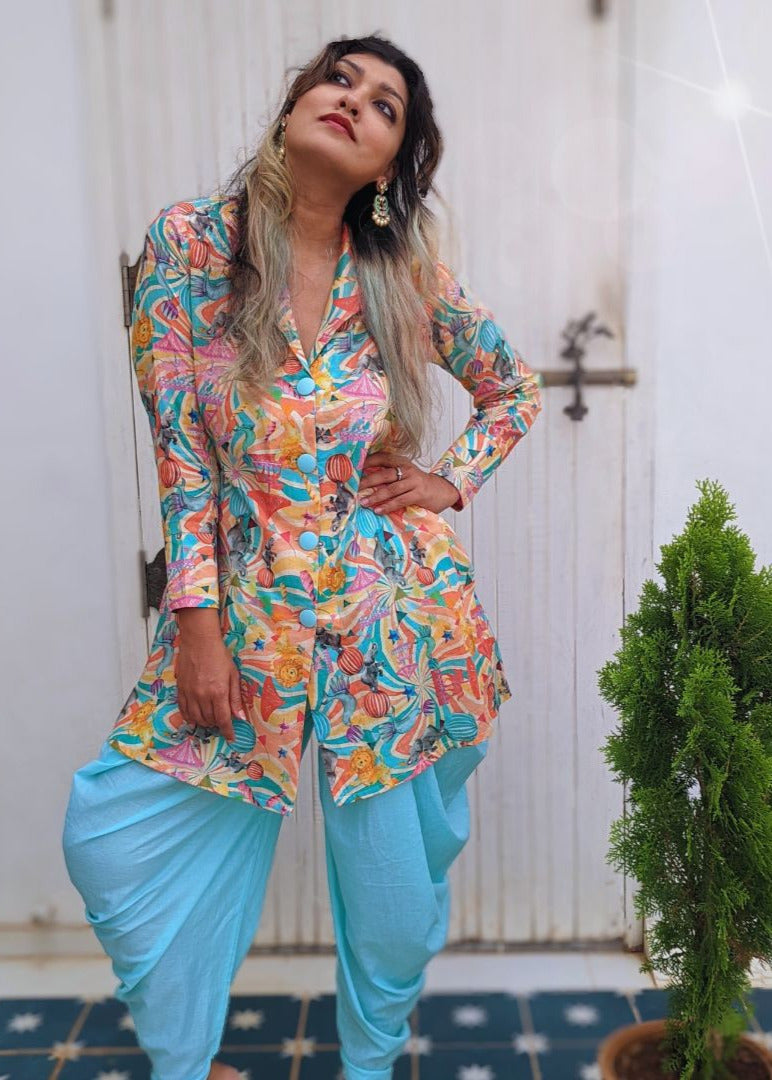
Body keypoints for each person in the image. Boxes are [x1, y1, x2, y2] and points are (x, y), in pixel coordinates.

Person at [62, 31, 543, 1080]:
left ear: (390, 164)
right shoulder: (193, 245)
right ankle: (185, 1062)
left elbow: (513, 390)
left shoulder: (402, 274)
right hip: (248, 613)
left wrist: (447, 480)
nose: (353, 100)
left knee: (393, 897)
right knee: (110, 836)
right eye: (339, 79)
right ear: (294, 105)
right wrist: (195, 623)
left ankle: (369, 1065)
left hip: (393, 621)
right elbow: (182, 450)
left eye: (384, 106)